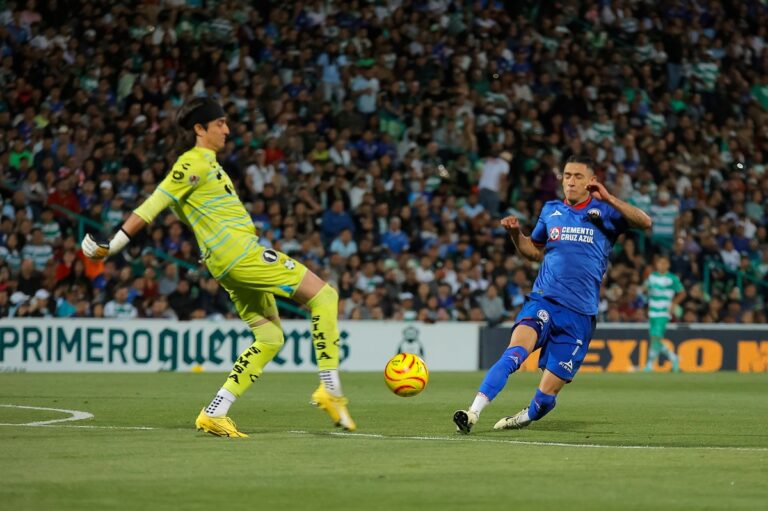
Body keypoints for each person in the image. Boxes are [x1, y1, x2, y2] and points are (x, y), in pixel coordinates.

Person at [81, 96, 355, 438]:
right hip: (240, 254)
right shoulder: (192, 163)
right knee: (325, 297)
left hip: (226, 262)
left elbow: (191, 213)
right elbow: (153, 204)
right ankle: (330, 389)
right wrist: (113, 245)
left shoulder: (208, 164)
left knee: (270, 337)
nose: (227, 129)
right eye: (220, 124)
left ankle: (215, 411)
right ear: (200, 129)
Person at [453, 155, 652, 433]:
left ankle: (524, 417)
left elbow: (645, 222)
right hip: (544, 300)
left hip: (580, 315)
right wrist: (514, 235)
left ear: (592, 181)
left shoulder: (605, 212)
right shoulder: (551, 210)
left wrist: (608, 197)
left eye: (578, 176)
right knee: (514, 354)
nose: (570, 181)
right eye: (567, 175)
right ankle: (472, 412)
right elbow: (534, 251)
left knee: (545, 400)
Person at [643, 255, 684, 372]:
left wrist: (673, 304)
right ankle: (653, 364)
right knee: (654, 339)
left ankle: (667, 359)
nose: (661, 265)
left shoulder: (672, 278)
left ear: (668, 265)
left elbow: (681, 293)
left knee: (655, 336)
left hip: (663, 312)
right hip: (652, 312)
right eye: (659, 263)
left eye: (663, 263)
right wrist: (644, 289)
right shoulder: (652, 277)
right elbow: (645, 290)